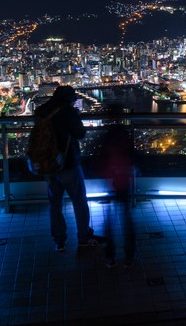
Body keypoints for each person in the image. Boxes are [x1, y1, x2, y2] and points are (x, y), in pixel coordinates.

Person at [34, 85, 102, 251]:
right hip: (68, 163)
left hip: (48, 164)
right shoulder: (68, 112)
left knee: (55, 204)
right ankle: (83, 237)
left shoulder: (42, 111)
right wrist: (75, 117)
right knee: (79, 201)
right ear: (70, 99)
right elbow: (80, 133)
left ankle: (59, 240)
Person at [94, 104, 137, 268]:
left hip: (111, 181)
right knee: (127, 219)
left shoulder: (107, 136)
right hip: (124, 180)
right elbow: (133, 157)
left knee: (109, 220)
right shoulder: (125, 134)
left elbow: (100, 159)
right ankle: (129, 257)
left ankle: (110, 257)